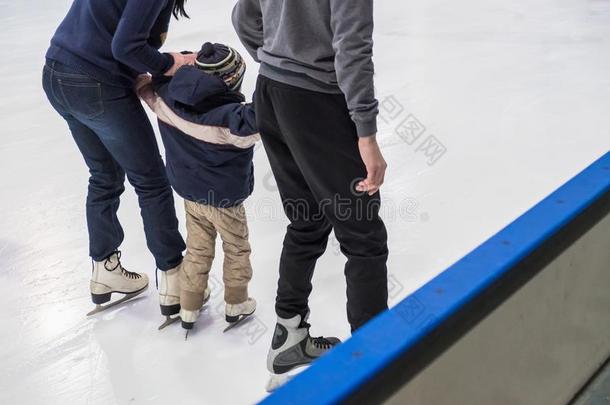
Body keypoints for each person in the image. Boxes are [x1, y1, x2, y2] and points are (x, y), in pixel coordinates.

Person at [232, 0, 389, 391]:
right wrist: (365, 134)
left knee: (307, 219)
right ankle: (373, 369)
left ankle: (289, 337)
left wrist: (277, 58)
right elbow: (352, 46)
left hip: (270, 92)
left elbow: (243, 15)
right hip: (317, 101)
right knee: (363, 237)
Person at [42, 0, 195, 318]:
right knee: (151, 181)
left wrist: (146, 67)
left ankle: (105, 267)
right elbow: (126, 45)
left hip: (57, 73)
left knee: (104, 174)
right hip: (94, 82)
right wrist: (170, 62)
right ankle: (175, 276)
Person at [137, 42, 259, 332]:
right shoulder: (232, 120)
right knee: (236, 248)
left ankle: (189, 305)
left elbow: (147, 85)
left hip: (191, 194)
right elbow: (262, 121)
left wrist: (177, 67)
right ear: (232, 81)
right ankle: (236, 302)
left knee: (197, 249)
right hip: (225, 201)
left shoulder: (166, 98)